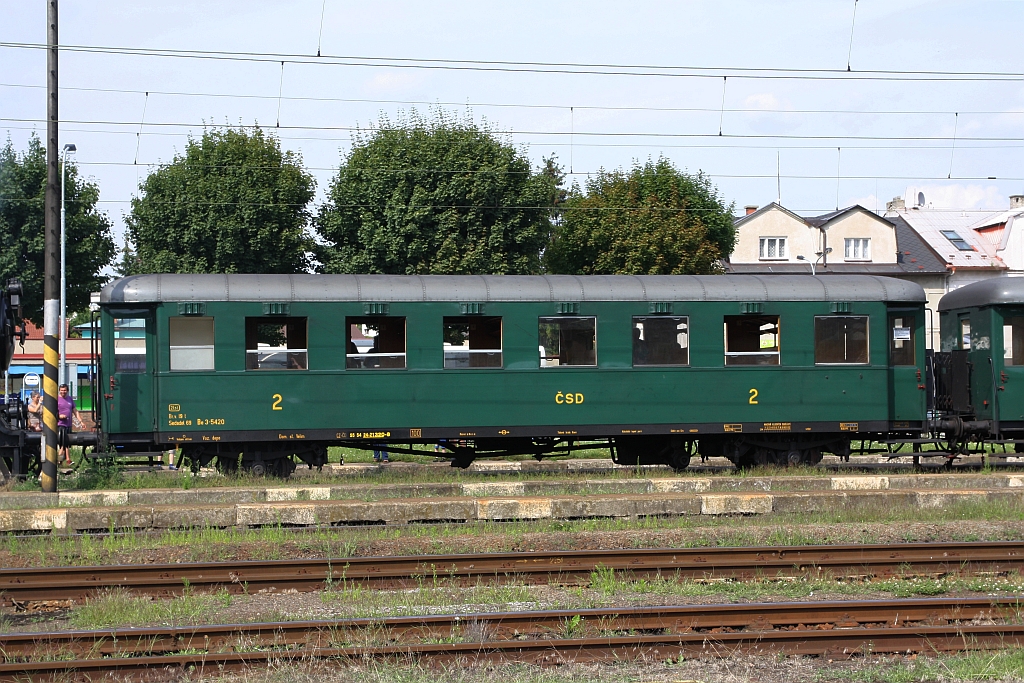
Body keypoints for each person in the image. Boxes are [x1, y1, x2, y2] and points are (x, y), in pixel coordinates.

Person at [57, 384, 79, 466]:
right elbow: (53, 412)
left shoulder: (70, 399)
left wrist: (80, 421)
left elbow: (75, 410)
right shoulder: (57, 399)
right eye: (62, 390)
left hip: (68, 424)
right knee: (63, 443)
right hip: (60, 424)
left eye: (65, 390)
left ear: (67, 391)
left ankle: (65, 461)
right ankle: (62, 460)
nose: (63, 392)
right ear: (59, 390)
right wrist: (59, 416)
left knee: (67, 443)